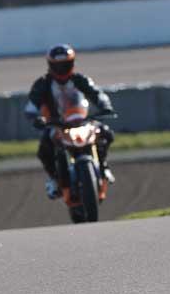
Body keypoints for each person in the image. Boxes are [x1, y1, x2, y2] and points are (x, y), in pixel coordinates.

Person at [24, 44, 116, 199]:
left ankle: (103, 167)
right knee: (44, 148)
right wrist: (36, 118)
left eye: (65, 65)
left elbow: (97, 94)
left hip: (81, 121)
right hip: (56, 124)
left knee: (105, 133)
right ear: (51, 65)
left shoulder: (80, 79)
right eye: (58, 66)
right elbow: (31, 106)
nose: (61, 69)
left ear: (72, 63)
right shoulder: (42, 84)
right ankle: (54, 179)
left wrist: (105, 106)